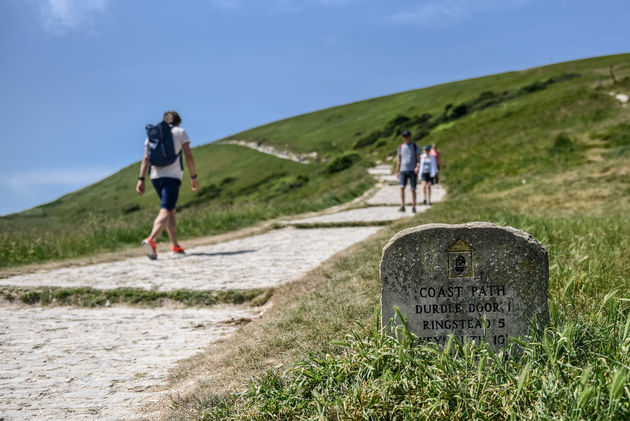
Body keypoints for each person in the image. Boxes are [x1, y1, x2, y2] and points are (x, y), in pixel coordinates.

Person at [136, 111, 198, 259]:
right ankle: (151, 239)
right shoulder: (180, 132)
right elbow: (188, 156)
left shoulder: (153, 134)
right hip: (172, 176)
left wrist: (141, 179)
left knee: (170, 209)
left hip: (155, 177)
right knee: (165, 209)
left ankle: (175, 245)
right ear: (178, 121)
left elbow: (146, 158)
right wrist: (194, 177)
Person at [395, 130, 420, 213]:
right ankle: (402, 206)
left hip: (412, 170)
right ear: (403, 138)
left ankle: (414, 206)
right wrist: (397, 170)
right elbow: (399, 159)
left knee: (413, 189)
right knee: (402, 187)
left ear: (410, 137)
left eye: (407, 136)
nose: (406, 138)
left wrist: (417, 167)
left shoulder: (415, 146)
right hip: (403, 170)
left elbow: (418, 159)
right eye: (404, 137)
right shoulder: (400, 147)